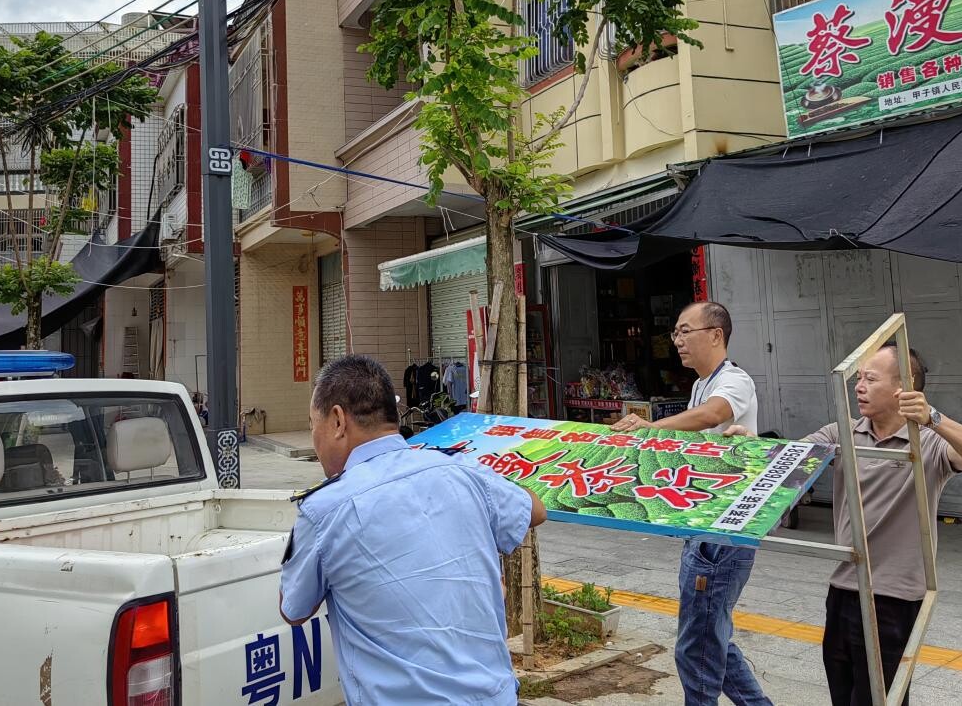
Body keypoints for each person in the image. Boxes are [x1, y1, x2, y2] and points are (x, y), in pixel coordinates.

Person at [726, 342, 962, 706]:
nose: (859, 387)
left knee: (879, 699)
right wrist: (753, 446)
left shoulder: (927, 443)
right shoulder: (842, 434)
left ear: (903, 387)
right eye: (858, 379)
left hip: (894, 598)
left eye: (870, 379)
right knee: (843, 693)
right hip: (844, 586)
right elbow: (790, 458)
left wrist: (932, 417)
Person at [279, 354, 547, 705]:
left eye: (313, 424)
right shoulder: (460, 470)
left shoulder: (323, 510)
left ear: (338, 421)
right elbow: (535, 510)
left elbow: (293, 609)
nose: (314, 438)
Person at [611, 301, 770, 706]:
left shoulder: (734, 381)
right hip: (703, 523)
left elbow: (711, 416)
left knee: (697, 647)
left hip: (724, 528)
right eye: (676, 333)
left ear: (715, 335)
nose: (677, 341)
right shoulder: (701, 384)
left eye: (685, 331)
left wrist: (651, 427)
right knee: (712, 638)